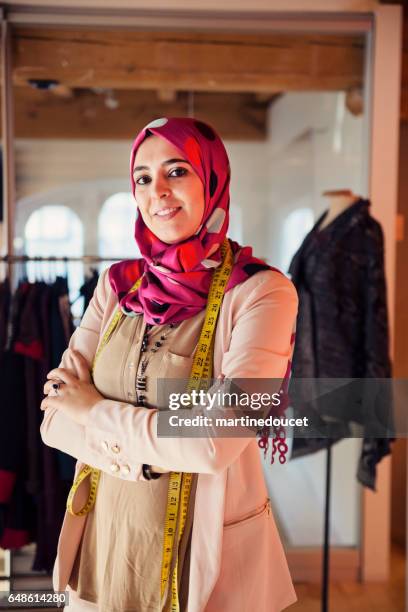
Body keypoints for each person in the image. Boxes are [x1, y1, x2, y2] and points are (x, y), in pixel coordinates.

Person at [40, 117, 299, 612]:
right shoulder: (117, 287)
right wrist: (155, 448)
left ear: (213, 179)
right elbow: (53, 421)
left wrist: (93, 413)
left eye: (177, 171)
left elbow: (216, 441)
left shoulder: (262, 292)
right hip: (103, 544)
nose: (157, 190)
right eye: (142, 177)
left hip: (205, 564)